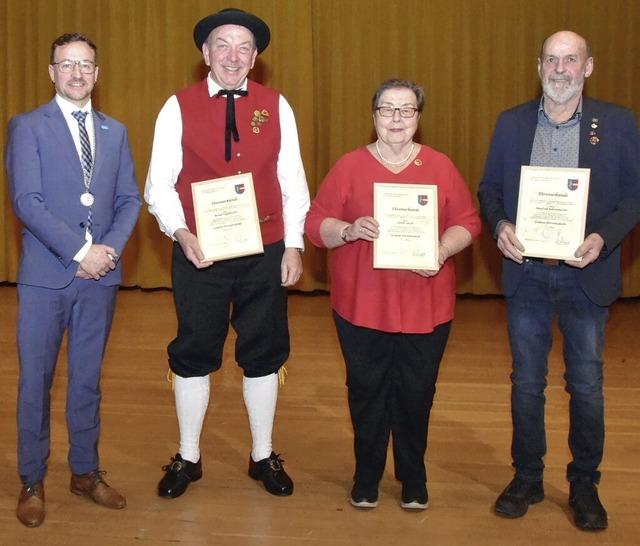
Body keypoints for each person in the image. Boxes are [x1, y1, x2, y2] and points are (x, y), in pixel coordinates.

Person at [478, 30, 640, 531]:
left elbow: (634, 195)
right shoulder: (512, 123)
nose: (561, 68)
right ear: (540, 65)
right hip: (527, 275)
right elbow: (489, 189)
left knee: (586, 384)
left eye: (571, 59)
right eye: (552, 59)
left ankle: (584, 482)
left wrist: (603, 238)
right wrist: (500, 225)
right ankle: (527, 476)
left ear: (588, 67)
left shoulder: (616, 123)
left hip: (585, 276)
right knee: (526, 383)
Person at [144, 8, 309, 499]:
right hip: (201, 252)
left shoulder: (277, 105)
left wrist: (294, 244)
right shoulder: (176, 106)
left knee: (263, 349)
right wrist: (180, 233)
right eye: (222, 45)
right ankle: (188, 455)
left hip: (265, 250)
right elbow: (159, 184)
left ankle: (262, 454)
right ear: (205, 54)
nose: (232, 55)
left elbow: (292, 180)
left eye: (243, 47)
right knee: (194, 349)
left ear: (255, 57)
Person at [305, 79, 481, 510]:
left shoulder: (440, 166)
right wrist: (347, 230)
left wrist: (441, 248)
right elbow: (315, 223)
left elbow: (469, 222)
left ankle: (412, 476)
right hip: (361, 304)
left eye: (406, 110)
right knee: (365, 390)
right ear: (374, 117)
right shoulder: (349, 166)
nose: (397, 119)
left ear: (419, 118)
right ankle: (366, 474)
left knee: (417, 391)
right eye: (387, 110)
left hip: (427, 304)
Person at [5, 33, 142, 527]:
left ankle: (84, 471)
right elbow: (27, 202)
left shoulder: (116, 130)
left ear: (97, 73)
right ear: (51, 72)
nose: (77, 73)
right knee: (36, 382)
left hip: (99, 280)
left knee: (87, 382)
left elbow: (129, 199)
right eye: (67, 65)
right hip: (47, 278)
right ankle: (31, 479)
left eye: (86, 65)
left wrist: (106, 253)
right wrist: (82, 251)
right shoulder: (27, 127)